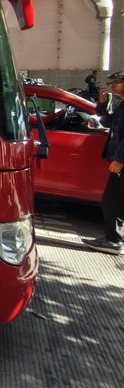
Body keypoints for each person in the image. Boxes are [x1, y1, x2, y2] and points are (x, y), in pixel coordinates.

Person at [83, 71, 124, 255]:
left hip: (122, 161)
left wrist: (119, 160)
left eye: (117, 82)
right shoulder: (121, 105)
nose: (112, 86)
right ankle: (115, 238)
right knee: (116, 200)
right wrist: (101, 103)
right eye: (111, 82)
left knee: (112, 200)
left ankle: (113, 240)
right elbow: (107, 121)